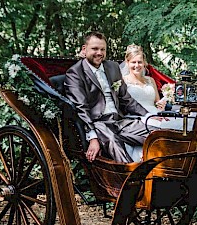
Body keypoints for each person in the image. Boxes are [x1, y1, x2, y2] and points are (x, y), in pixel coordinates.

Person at [64, 31, 151, 163]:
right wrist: (93, 138)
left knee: (155, 134)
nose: (99, 53)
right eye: (94, 49)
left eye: (102, 49)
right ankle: (130, 178)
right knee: (113, 142)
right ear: (84, 49)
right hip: (99, 123)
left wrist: (150, 117)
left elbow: (126, 99)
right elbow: (81, 108)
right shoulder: (75, 73)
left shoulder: (113, 67)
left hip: (119, 121)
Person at [122, 44, 166, 114]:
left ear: (144, 63)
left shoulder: (150, 80)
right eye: (133, 62)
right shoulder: (123, 81)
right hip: (136, 118)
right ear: (127, 62)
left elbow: (157, 102)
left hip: (155, 115)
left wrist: (161, 105)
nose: (137, 65)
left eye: (139, 62)